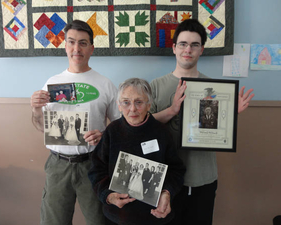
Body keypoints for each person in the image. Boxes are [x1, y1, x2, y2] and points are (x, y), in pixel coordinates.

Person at [149, 19, 255, 225]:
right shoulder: (156, 85)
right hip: (165, 181)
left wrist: (231, 116)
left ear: (201, 50)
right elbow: (145, 126)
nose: (188, 49)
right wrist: (171, 110)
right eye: (183, 44)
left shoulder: (215, 89)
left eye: (194, 45)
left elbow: (218, 132)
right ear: (174, 48)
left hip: (203, 178)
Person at [30, 20, 120, 225]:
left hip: (94, 163)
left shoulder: (105, 84)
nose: (76, 48)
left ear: (91, 48)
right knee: (53, 221)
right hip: (57, 165)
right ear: (65, 46)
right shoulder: (51, 83)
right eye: (71, 42)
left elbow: (121, 127)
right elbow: (40, 126)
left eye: (82, 43)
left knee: (98, 220)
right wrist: (36, 109)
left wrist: (104, 135)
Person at [88, 78, 186, 225]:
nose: (132, 109)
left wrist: (167, 193)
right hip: (118, 217)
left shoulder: (162, 132)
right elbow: (96, 170)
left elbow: (176, 170)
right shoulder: (112, 132)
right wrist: (108, 196)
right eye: (126, 102)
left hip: (154, 216)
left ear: (149, 105)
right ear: (119, 106)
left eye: (139, 102)